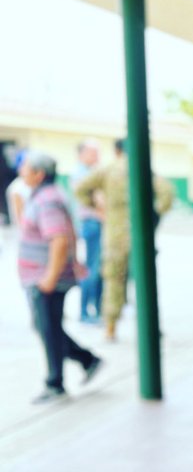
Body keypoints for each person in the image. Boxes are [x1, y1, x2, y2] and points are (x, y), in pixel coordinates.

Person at [17, 152, 102, 403]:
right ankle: (86, 360)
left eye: (26, 168)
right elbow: (68, 233)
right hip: (43, 276)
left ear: (39, 174)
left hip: (46, 279)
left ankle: (56, 382)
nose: (21, 172)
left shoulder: (47, 200)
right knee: (46, 327)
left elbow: (60, 239)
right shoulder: (44, 196)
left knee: (48, 328)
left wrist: (50, 277)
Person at [74, 138, 174, 340]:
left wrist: (96, 206)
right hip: (140, 235)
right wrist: (152, 216)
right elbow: (167, 193)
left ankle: (110, 327)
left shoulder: (107, 169)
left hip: (114, 234)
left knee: (113, 280)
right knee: (145, 281)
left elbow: (80, 189)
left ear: (117, 151)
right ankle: (150, 326)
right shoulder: (143, 168)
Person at [71, 139, 104, 322]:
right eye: (93, 153)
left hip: (97, 223)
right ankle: (85, 312)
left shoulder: (93, 173)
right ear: (81, 154)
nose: (97, 157)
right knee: (92, 267)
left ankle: (97, 309)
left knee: (98, 268)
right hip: (91, 223)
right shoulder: (81, 174)